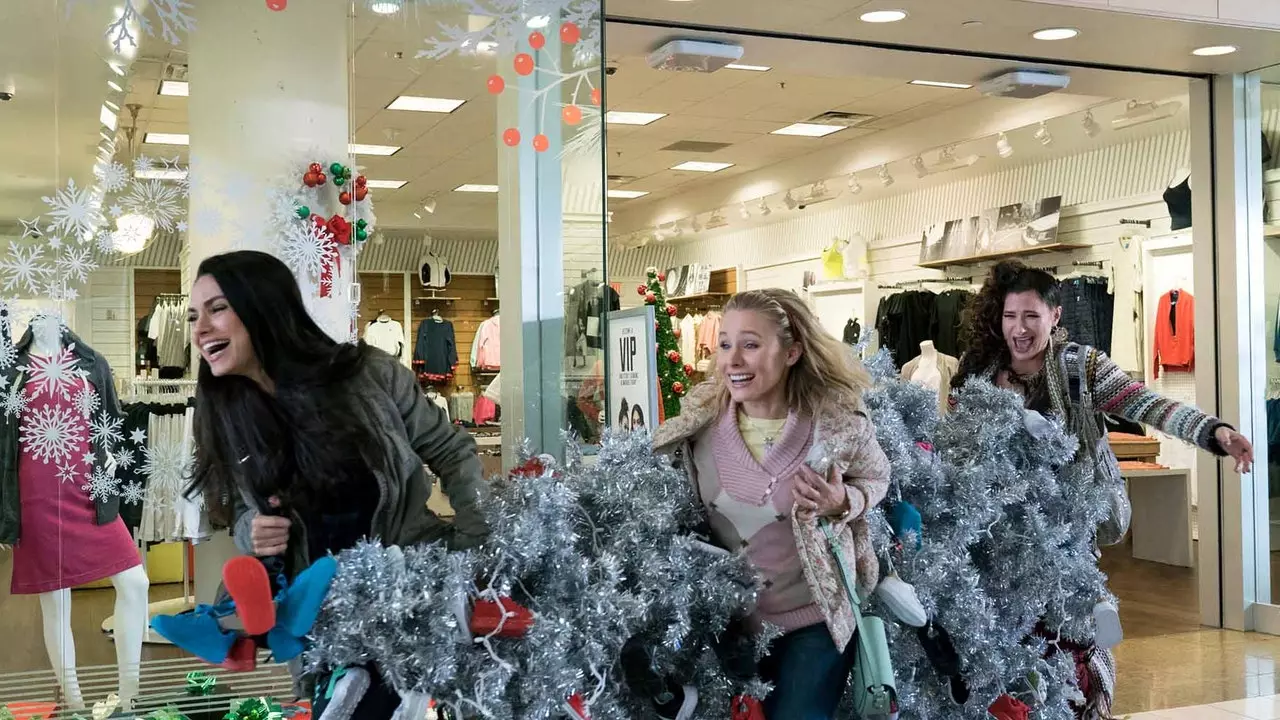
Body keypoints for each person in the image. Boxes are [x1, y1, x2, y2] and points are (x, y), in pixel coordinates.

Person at [185, 250, 489, 713]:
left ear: (264, 307)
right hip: (323, 619)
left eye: (217, 308)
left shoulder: (367, 375)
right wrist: (254, 531)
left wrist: (475, 549)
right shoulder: (228, 412)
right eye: (193, 316)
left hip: (406, 590)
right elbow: (245, 512)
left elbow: (453, 451)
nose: (200, 329)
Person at [952, 259, 1253, 718]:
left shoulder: (1079, 367)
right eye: (1011, 316)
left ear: (1054, 317)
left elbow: (1147, 404)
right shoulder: (978, 371)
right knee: (1004, 642)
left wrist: (1215, 432)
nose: (1019, 329)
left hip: (1065, 538)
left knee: (1072, 638)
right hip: (996, 536)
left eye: (1032, 316)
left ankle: (1088, 708)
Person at [653, 288, 890, 719]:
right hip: (729, 629)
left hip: (813, 620)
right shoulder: (698, 426)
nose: (733, 360)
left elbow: (877, 477)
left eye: (750, 345)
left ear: (792, 353)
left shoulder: (836, 423)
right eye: (725, 344)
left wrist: (843, 500)